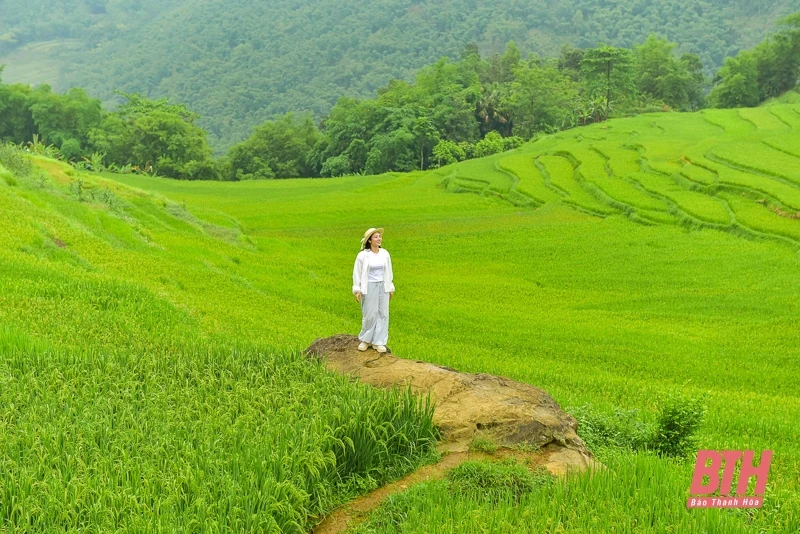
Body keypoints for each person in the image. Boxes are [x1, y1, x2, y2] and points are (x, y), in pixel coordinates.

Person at [353, 227, 395, 353]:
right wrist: (357, 289)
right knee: (370, 313)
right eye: (376, 237)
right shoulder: (363, 256)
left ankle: (379, 341)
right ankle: (366, 340)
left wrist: (390, 287)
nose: (379, 239)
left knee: (383, 313)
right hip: (369, 286)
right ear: (370, 241)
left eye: (379, 236)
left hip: (383, 286)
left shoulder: (385, 254)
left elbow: (389, 272)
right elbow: (357, 273)